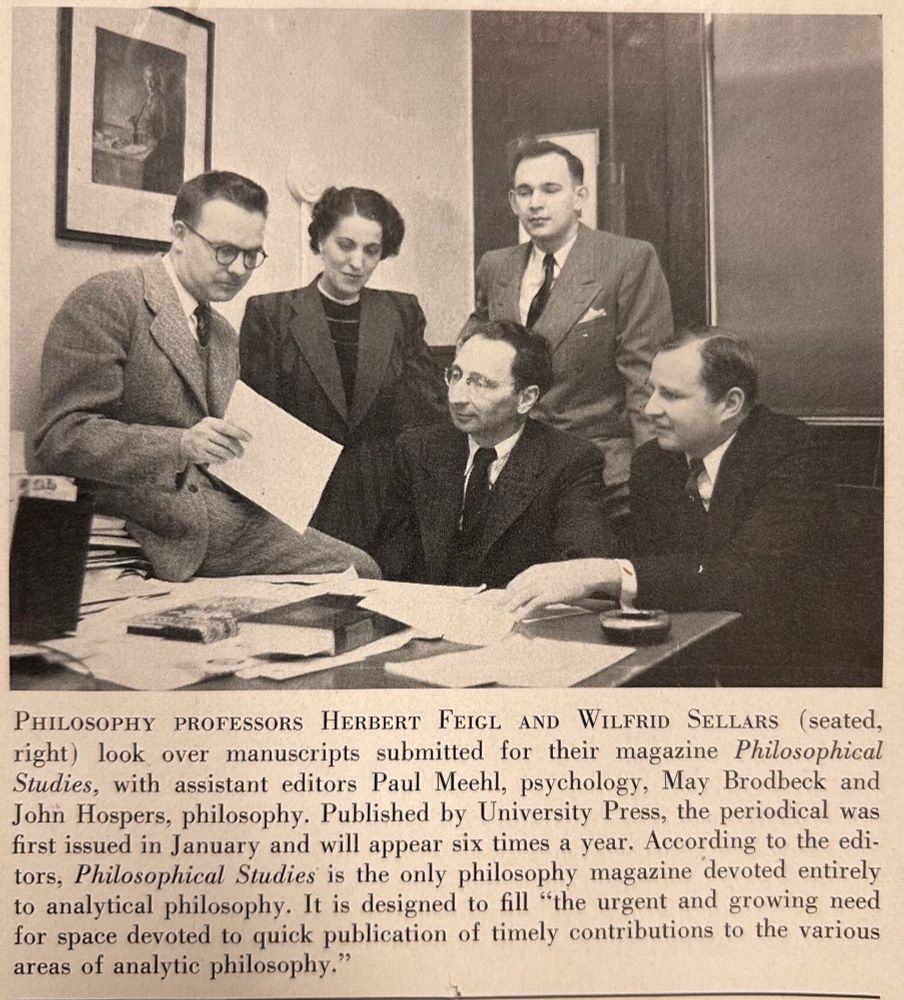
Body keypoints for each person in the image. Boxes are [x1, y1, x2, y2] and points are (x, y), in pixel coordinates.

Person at [32, 170, 379, 583]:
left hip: (216, 511)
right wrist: (181, 444)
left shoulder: (222, 333)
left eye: (252, 255)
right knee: (356, 570)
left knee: (359, 566)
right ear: (179, 234)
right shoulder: (110, 299)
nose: (238, 269)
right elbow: (62, 436)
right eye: (224, 251)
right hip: (152, 520)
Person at [503, 330, 840, 677]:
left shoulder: (792, 450)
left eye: (671, 395)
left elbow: (749, 575)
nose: (650, 409)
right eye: (651, 390)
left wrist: (604, 572)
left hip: (785, 671)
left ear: (730, 404)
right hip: (689, 663)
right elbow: (658, 572)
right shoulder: (653, 463)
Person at [466, 136, 673, 506]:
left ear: (580, 197)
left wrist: (651, 479)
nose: (537, 203)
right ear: (513, 202)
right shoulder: (496, 266)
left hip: (596, 467)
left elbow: (645, 379)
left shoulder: (627, 260)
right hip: (508, 465)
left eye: (551, 189)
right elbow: (474, 362)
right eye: (525, 192)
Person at [240, 186, 446, 550]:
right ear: (320, 240)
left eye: (372, 251)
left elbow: (429, 413)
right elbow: (262, 427)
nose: (357, 263)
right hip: (303, 502)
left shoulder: (402, 312)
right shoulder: (269, 314)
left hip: (388, 502)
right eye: (345, 245)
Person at [369, 320, 613, 588]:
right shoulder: (417, 450)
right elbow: (392, 564)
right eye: (456, 375)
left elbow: (579, 567)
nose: (457, 397)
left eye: (480, 383)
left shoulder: (571, 462)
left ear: (526, 398)